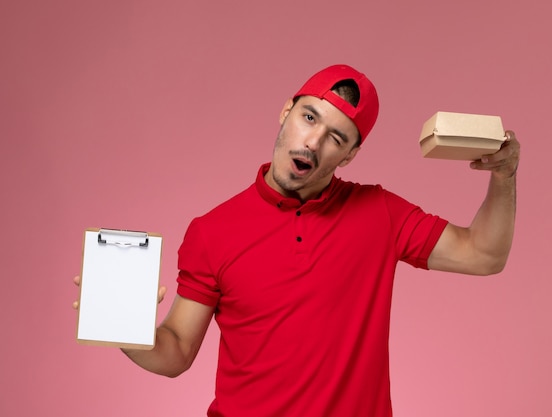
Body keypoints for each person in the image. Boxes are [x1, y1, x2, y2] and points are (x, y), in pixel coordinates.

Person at [74, 64, 520, 416]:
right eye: (309, 118)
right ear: (286, 112)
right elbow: (177, 351)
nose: (312, 142)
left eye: (336, 138)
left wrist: (504, 175)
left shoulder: (380, 213)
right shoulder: (212, 231)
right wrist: (121, 327)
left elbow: (484, 254)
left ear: (350, 154)